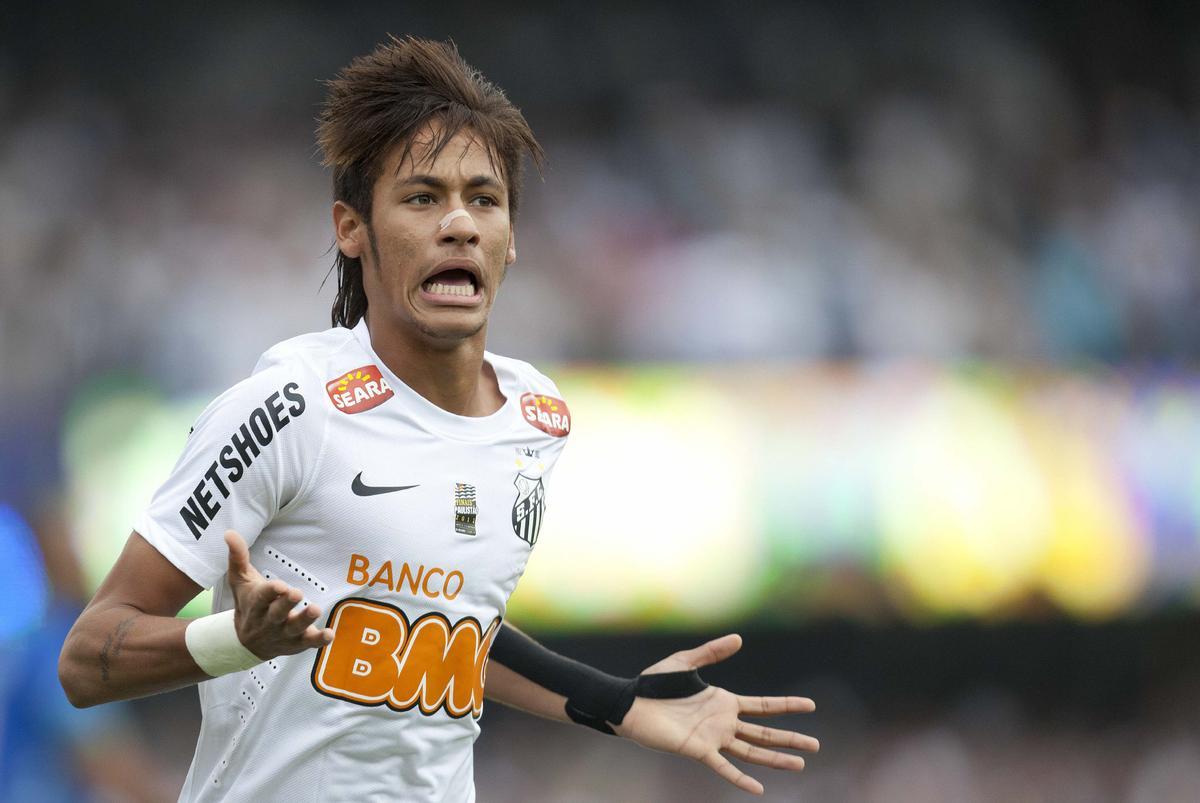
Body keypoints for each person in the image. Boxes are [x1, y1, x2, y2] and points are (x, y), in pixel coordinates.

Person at [58, 36, 819, 801]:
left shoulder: (535, 421)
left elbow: (449, 627)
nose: (459, 223)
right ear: (351, 228)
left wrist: (616, 702)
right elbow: (88, 657)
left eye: (483, 199)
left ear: (511, 237)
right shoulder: (290, 407)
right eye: (422, 198)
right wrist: (235, 640)